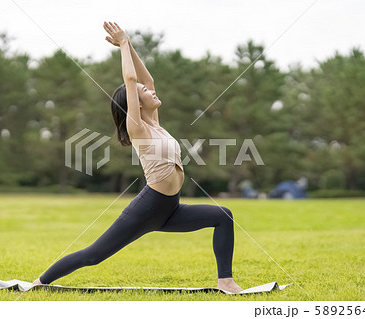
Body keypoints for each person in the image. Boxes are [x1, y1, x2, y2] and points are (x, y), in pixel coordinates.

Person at [33, 21, 243, 293]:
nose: (152, 91)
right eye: (145, 94)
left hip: (171, 209)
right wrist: (122, 46)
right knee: (93, 256)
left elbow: (146, 80)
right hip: (148, 208)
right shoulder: (138, 128)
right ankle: (38, 283)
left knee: (223, 216)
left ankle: (226, 281)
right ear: (136, 103)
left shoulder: (154, 122)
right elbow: (131, 81)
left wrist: (128, 43)